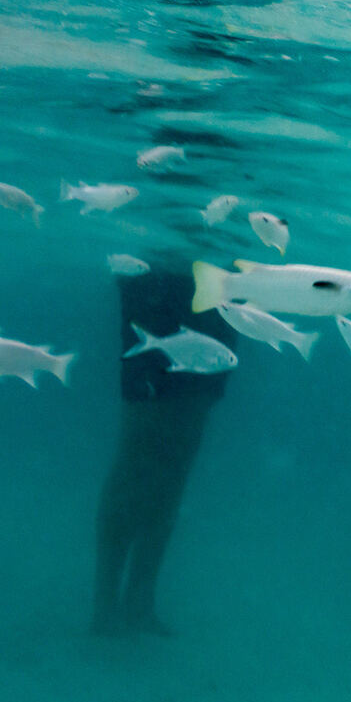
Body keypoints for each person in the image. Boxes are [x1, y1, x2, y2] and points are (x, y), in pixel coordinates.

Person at [92, 264, 237, 636]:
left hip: (210, 295)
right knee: (139, 457)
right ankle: (107, 605)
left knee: (173, 467)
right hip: (160, 284)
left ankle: (137, 601)